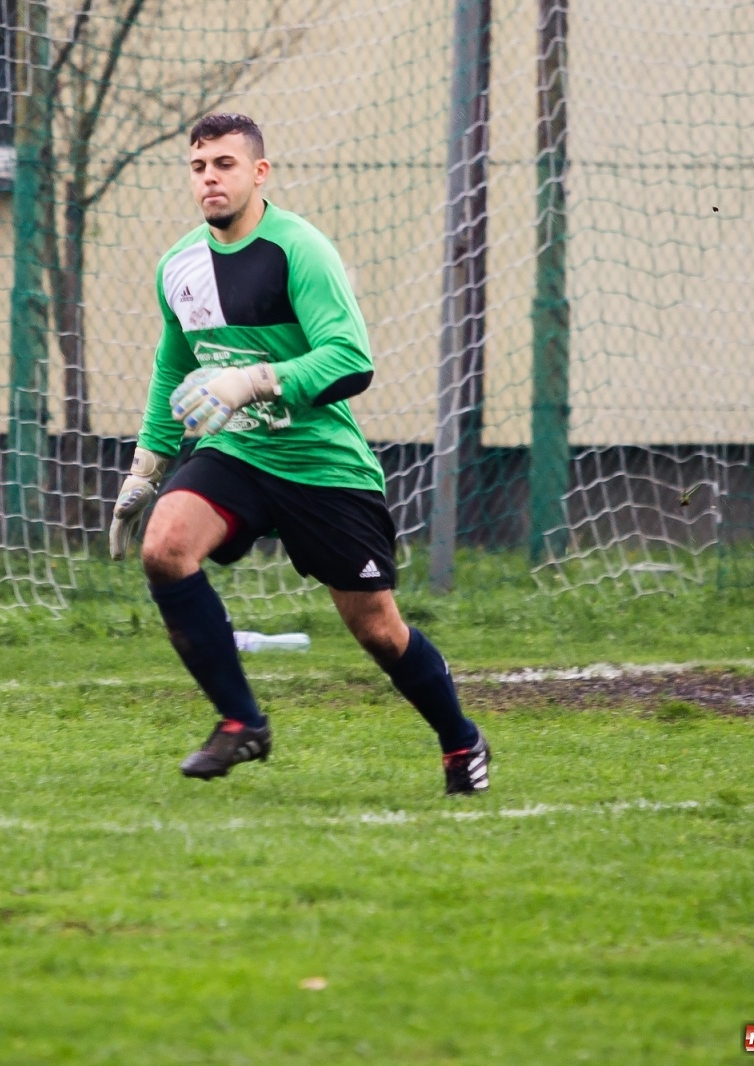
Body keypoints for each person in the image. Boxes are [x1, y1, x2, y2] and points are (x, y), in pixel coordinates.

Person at [108, 113, 490, 795]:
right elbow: (172, 368)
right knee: (165, 547)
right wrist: (148, 468)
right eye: (198, 167)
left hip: (322, 465)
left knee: (377, 630)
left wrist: (251, 380)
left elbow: (350, 359)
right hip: (239, 452)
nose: (209, 179)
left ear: (259, 173)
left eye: (225, 164)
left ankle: (460, 740)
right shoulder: (178, 266)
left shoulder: (300, 249)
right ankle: (241, 722)